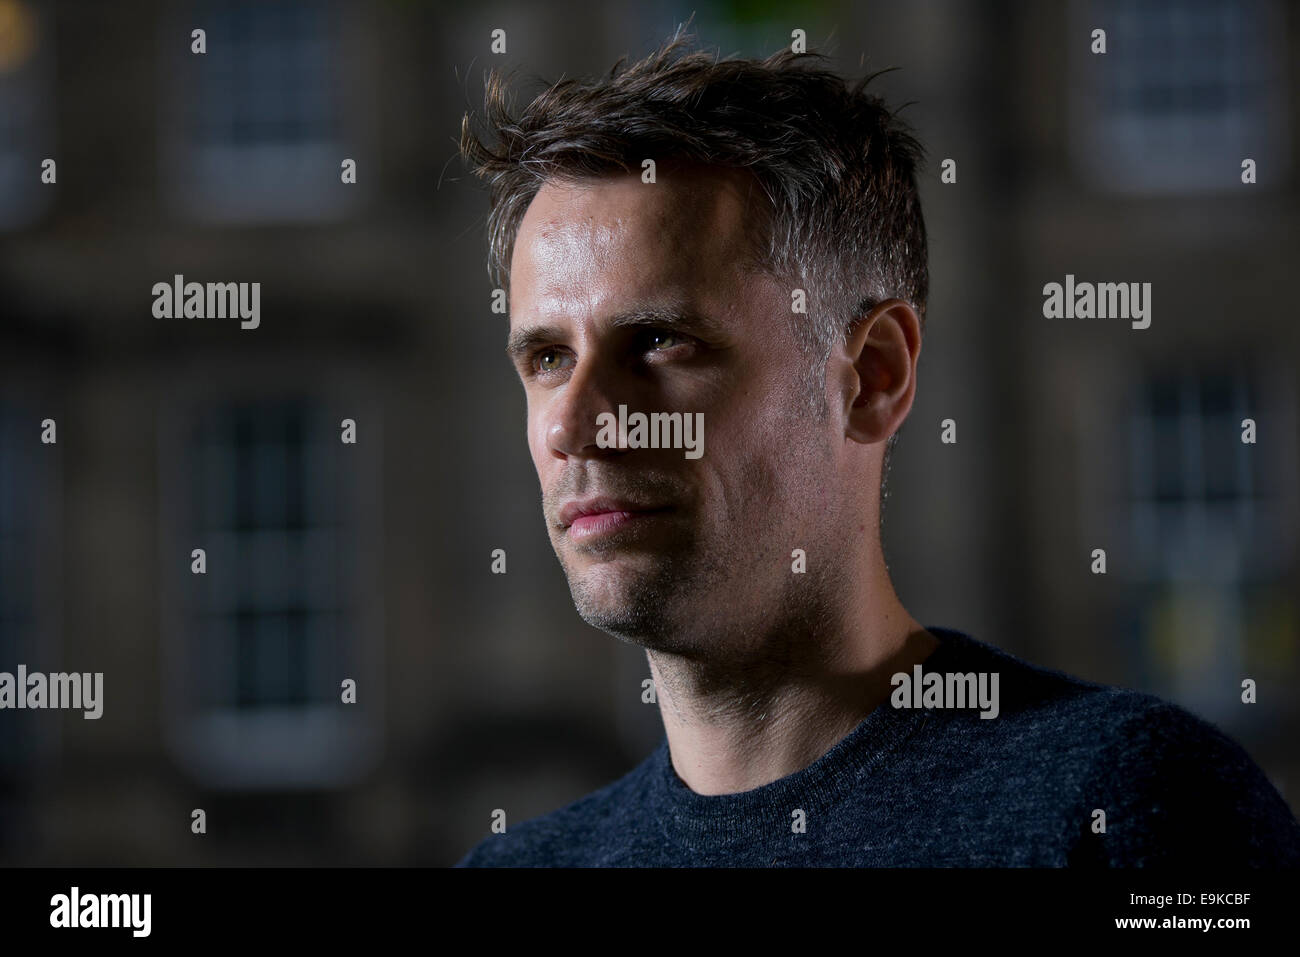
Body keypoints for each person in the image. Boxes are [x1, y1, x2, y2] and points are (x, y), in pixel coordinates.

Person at [454, 28, 1300, 867]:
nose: (573, 424)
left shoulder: (1135, 806)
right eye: (548, 358)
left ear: (871, 377)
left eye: (662, 342)